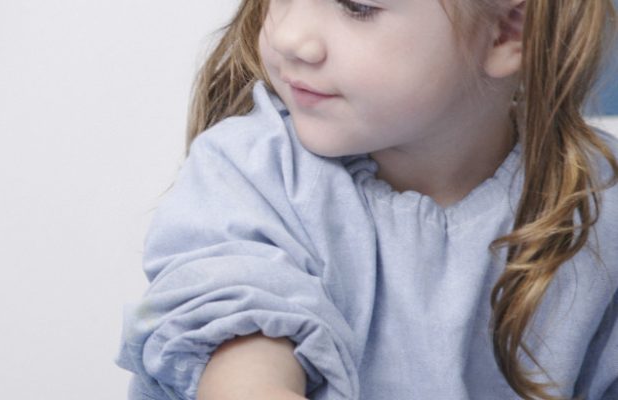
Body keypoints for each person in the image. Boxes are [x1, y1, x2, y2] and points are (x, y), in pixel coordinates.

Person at [119, 0, 618, 398]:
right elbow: (243, 358)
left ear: (508, 29)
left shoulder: (598, 203)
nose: (288, 36)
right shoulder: (249, 173)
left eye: (356, 6)